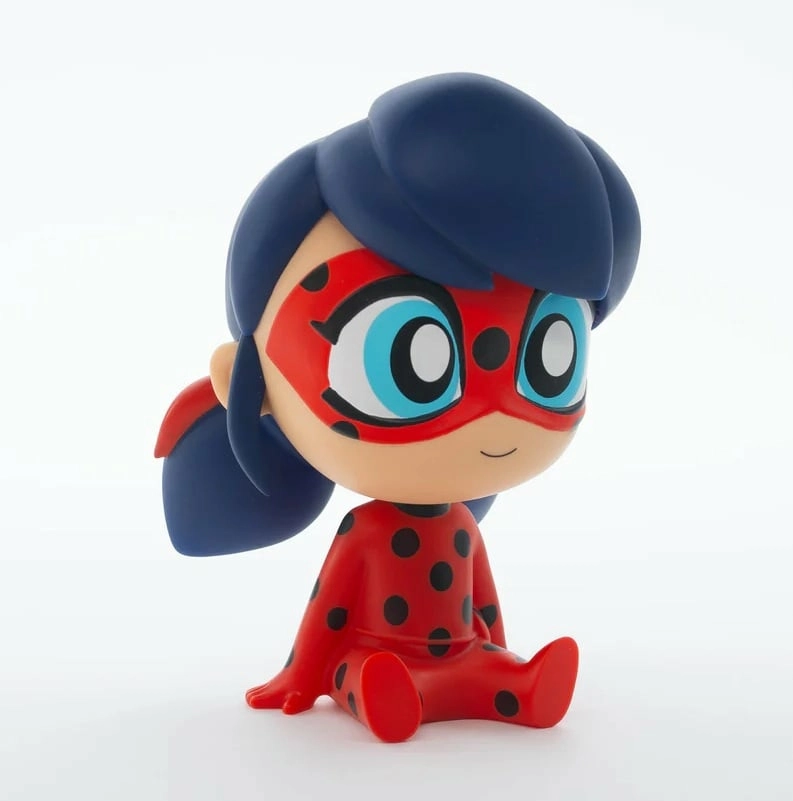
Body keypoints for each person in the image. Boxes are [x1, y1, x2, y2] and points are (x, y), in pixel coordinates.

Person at [155, 72, 641, 742]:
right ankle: (390, 695)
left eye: (549, 352)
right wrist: (300, 673)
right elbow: (329, 613)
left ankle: (513, 686)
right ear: (251, 380)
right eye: (409, 357)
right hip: (375, 654)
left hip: (459, 655)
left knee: (484, 670)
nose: (493, 411)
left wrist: (498, 648)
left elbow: (484, 604)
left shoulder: (462, 527)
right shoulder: (366, 532)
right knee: (356, 669)